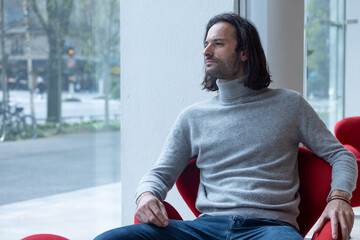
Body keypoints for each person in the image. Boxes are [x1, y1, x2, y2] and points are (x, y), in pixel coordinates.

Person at [94, 13, 357, 240]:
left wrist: (339, 197)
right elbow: (159, 173)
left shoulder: (289, 104)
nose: (206, 51)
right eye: (206, 44)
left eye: (218, 44)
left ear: (244, 52)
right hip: (206, 229)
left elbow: (341, 154)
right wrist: (145, 195)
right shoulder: (193, 117)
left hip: (269, 228)